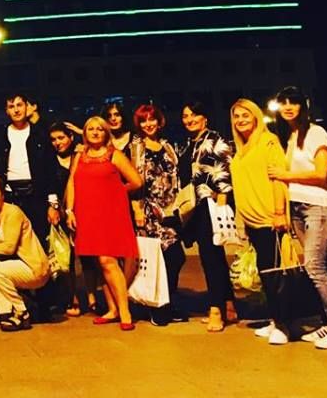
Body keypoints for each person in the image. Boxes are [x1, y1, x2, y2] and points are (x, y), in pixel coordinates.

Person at [268, 87, 327, 349]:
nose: (288, 107)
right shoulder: (292, 136)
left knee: (313, 266)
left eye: (293, 102)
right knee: (319, 266)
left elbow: (322, 174)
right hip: (298, 206)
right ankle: (326, 321)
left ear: (303, 106)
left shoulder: (316, 133)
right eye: (283, 103)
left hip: (318, 206)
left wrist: (285, 175)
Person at [65, 116, 142, 330]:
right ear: (85, 133)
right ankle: (112, 309)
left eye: (100, 129)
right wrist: (69, 210)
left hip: (110, 213)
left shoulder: (114, 155)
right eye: (91, 129)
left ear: (106, 133)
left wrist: (115, 191)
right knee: (100, 263)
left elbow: (136, 181)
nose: (95, 132)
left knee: (108, 260)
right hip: (87, 213)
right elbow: (72, 182)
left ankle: (124, 312)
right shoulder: (79, 156)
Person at [229, 98, 290, 345]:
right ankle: (275, 319)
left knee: (274, 273)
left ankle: (284, 325)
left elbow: (278, 178)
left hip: (268, 218)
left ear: (255, 116)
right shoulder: (241, 148)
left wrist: (279, 212)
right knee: (265, 273)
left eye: (246, 115)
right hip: (252, 221)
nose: (240, 120)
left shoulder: (268, 141)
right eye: (236, 116)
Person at [178, 100, 238, 331]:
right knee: (214, 257)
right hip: (197, 206)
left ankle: (216, 310)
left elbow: (224, 172)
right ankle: (229, 305)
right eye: (185, 116)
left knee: (211, 258)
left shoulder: (215, 140)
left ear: (205, 117)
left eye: (194, 114)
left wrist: (221, 204)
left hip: (211, 205)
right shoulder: (190, 143)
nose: (189, 119)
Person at [128, 105, 186, 326]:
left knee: (175, 257)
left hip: (169, 211)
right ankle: (157, 307)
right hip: (148, 212)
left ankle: (167, 302)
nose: (148, 124)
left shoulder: (167, 146)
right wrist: (137, 210)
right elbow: (134, 182)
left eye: (152, 119)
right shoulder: (136, 147)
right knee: (157, 259)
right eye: (143, 121)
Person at [0, 174, 50, 331]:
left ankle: (18, 313)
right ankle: (21, 310)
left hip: (34, 267)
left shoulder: (13, 212)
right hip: (12, 268)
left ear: (2, 194)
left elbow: (10, 247)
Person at [47, 122, 96, 317]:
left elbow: (101, 143)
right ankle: (72, 298)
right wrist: (53, 207)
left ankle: (92, 298)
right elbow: (48, 186)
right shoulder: (50, 159)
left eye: (61, 137)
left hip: (84, 210)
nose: (57, 142)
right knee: (66, 258)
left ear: (70, 138)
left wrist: (81, 132)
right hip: (60, 212)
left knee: (88, 257)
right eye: (53, 139)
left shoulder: (81, 155)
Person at [0, 93, 51, 236]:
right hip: (9, 194)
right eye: (11, 106)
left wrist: (53, 203)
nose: (16, 110)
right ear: (7, 111)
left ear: (27, 107)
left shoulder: (40, 133)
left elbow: (49, 167)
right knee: (12, 238)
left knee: (38, 237)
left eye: (19, 105)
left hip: (36, 194)